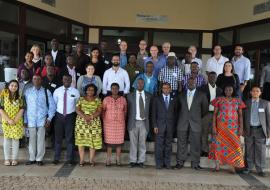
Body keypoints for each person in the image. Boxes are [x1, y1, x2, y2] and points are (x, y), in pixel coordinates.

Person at [209, 85, 245, 173]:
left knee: (234, 146)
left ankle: (232, 167)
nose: (228, 91)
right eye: (226, 89)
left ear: (233, 91)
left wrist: (241, 128)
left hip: (233, 128)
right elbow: (214, 114)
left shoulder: (238, 101)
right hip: (221, 127)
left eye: (230, 89)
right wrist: (214, 126)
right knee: (218, 146)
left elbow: (240, 116)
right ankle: (217, 166)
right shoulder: (219, 100)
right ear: (224, 91)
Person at [176, 77, 208, 170]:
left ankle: (195, 163)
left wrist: (196, 117)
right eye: (189, 83)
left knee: (196, 144)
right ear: (186, 84)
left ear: (196, 84)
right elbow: (177, 109)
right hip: (182, 122)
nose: (191, 84)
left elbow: (204, 110)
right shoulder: (181, 95)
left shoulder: (202, 95)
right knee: (181, 143)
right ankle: (180, 162)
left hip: (196, 123)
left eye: (192, 82)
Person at [24, 75, 56, 166]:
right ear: (32, 80)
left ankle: (39, 159)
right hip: (31, 119)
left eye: (38, 79)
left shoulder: (46, 92)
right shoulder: (28, 92)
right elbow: (25, 107)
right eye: (34, 79)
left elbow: (52, 106)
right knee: (31, 139)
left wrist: (49, 119)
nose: (36, 80)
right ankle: (32, 158)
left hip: (42, 119)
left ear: (41, 80)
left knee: (41, 139)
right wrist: (25, 119)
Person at [53, 74, 80, 165]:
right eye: (65, 79)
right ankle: (56, 158)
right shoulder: (57, 91)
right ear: (62, 80)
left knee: (70, 138)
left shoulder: (76, 92)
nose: (67, 81)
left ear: (71, 80)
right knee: (58, 138)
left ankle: (70, 159)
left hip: (70, 117)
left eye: (68, 79)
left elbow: (77, 104)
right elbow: (55, 104)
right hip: (59, 116)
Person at [243, 86, 270, 177]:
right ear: (250, 92)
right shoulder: (246, 103)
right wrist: (243, 129)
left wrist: (268, 131)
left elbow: (268, 118)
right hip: (249, 129)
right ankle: (248, 167)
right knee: (248, 149)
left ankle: (260, 169)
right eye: (253, 91)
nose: (255, 93)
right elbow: (243, 117)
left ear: (260, 93)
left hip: (260, 130)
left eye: (257, 91)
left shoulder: (265, 103)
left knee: (260, 150)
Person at [75, 84, 102, 167]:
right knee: (81, 142)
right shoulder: (80, 99)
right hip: (81, 124)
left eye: (92, 90)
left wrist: (90, 117)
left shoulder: (98, 100)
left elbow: (99, 111)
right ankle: (82, 160)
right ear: (86, 90)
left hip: (94, 123)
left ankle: (91, 160)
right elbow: (77, 110)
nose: (90, 91)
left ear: (94, 91)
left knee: (92, 141)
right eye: (88, 89)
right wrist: (85, 117)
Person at [152, 83, 178, 169]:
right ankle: (159, 164)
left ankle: (167, 163)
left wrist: (174, 126)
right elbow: (153, 114)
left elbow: (175, 114)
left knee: (168, 146)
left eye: (167, 88)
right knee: (159, 145)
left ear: (170, 89)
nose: (166, 90)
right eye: (164, 88)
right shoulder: (157, 99)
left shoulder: (174, 99)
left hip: (170, 126)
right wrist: (155, 125)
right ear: (162, 89)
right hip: (159, 126)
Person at [127, 79, 152, 168]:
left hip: (144, 122)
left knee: (142, 143)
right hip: (133, 122)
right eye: (138, 83)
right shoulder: (130, 96)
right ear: (135, 84)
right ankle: (132, 160)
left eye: (142, 83)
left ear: (144, 84)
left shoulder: (149, 95)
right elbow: (127, 110)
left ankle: (141, 161)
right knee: (133, 143)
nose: (140, 84)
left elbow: (151, 111)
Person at [0, 80, 24, 166]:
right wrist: (9, 120)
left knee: (15, 140)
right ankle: (7, 159)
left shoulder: (20, 96)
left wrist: (14, 120)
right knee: (7, 140)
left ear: (18, 88)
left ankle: (14, 159)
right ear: (8, 86)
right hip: (6, 121)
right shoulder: (3, 95)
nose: (13, 87)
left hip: (17, 121)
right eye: (12, 85)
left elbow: (22, 108)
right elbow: (1, 109)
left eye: (15, 86)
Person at [102, 83, 127, 166]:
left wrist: (122, 119)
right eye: (113, 88)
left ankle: (118, 159)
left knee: (119, 142)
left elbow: (125, 111)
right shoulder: (106, 99)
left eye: (116, 88)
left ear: (119, 89)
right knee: (109, 143)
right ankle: (108, 160)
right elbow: (103, 111)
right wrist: (105, 120)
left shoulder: (123, 99)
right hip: (109, 124)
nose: (114, 90)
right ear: (110, 89)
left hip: (120, 124)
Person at [198, 72, 222, 156]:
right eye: (210, 77)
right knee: (203, 132)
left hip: (216, 114)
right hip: (206, 113)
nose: (212, 78)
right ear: (208, 78)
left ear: (216, 78)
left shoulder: (219, 90)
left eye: (214, 77)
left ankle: (213, 151)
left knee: (214, 133)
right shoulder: (202, 88)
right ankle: (204, 150)